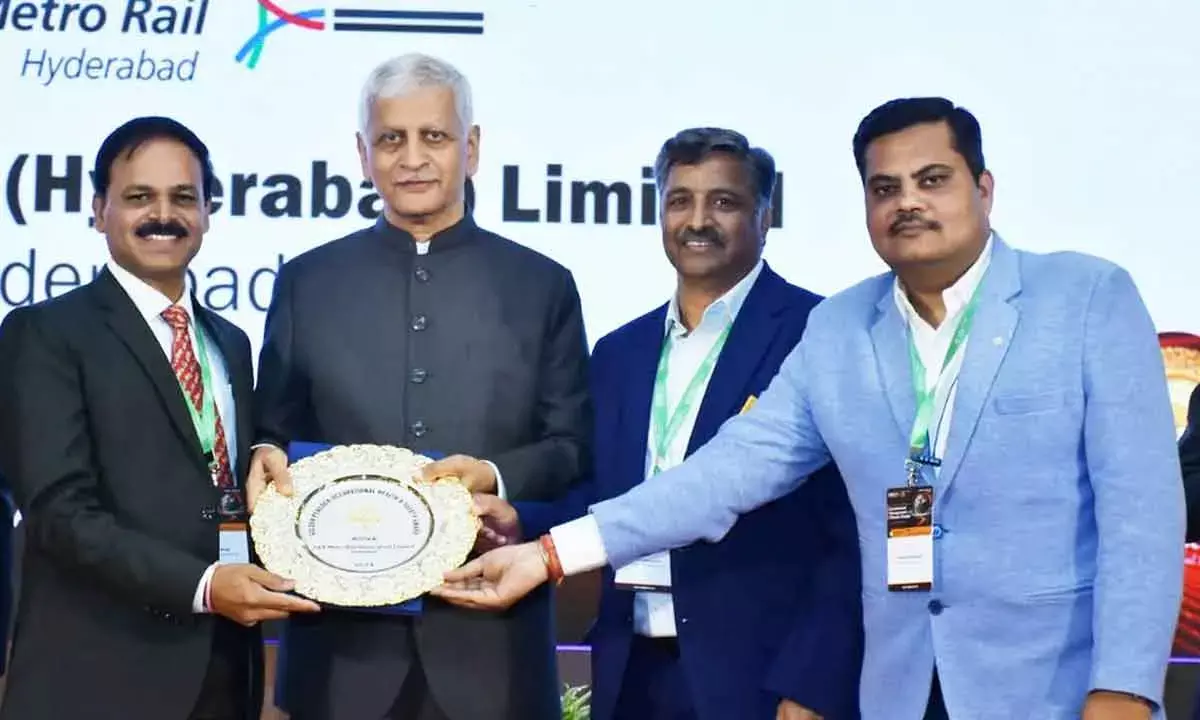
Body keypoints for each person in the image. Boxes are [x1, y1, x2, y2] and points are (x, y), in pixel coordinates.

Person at [431, 97, 1186, 720]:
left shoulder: (1085, 298)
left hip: (1050, 693)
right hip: (893, 689)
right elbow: (725, 474)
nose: (908, 203)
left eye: (933, 180)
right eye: (885, 188)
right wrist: (548, 553)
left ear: (983, 189)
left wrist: (1122, 688)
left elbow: (1141, 517)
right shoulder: (840, 329)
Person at [472, 127, 863, 720]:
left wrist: (810, 683)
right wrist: (520, 520)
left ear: (767, 213)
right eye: (680, 200)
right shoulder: (619, 351)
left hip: (761, 677)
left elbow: (849, 530)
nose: (697, 220)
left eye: (724, 202)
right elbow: (604, 498)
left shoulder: (818, 332)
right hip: (630, 669)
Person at [249, 53, 591, 720]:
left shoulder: (542, 285)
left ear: (472, 147)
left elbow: (574, 448)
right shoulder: (307, 284)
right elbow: (274, 434)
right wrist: (265, 455)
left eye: (433, 137)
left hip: (493, 654)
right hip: (338, 657)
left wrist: (496, 476)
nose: (412, 158)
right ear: (362, 153)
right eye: (390, 139)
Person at [0, 116, 320, 720]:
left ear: (206, 212)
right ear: (99, 210)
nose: (163, 215)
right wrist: (202, 586)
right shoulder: (44, 334)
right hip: (98, 682)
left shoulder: (230, 341)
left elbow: (219, 485)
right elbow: (59, 513)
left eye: (183, 197)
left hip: (225, 675)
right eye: (139, 197)